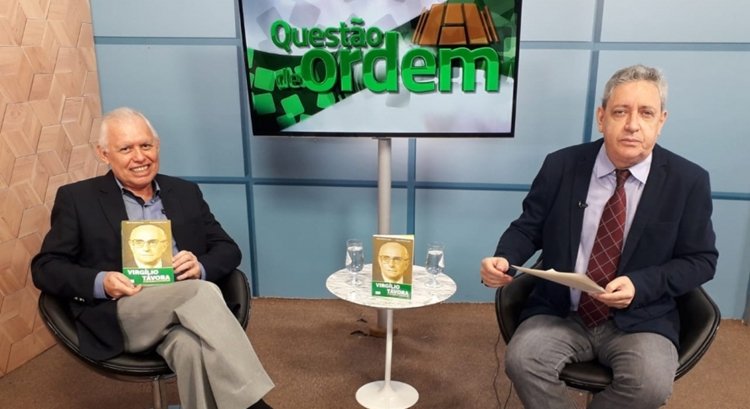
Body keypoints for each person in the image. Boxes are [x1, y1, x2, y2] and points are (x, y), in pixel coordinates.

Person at [480, 65, 718, 409]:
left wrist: (640, 285)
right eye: (620, 112)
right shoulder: (561, 165)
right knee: (523, 361)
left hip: (643, 317)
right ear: (601, 117)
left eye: (646, 113)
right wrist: (504, 257)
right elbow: (528, 226)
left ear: (661, 121)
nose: (632, 124)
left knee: (649, 386)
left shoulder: (688, 181)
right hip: (562, 310)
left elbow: (701, 260)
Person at [31, 107, 275, 409]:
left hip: (187, 308)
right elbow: (45, 268)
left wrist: (199, 266)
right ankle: (255, 404)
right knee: (200, 292)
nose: (140, 157)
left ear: (157, 146)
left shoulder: (184, 192)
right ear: (104, 154)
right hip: (125, 310)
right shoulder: (77, 198)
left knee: (190, 347)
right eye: (126, 149)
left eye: (146, 145)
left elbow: (228, 249)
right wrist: (102, 282)